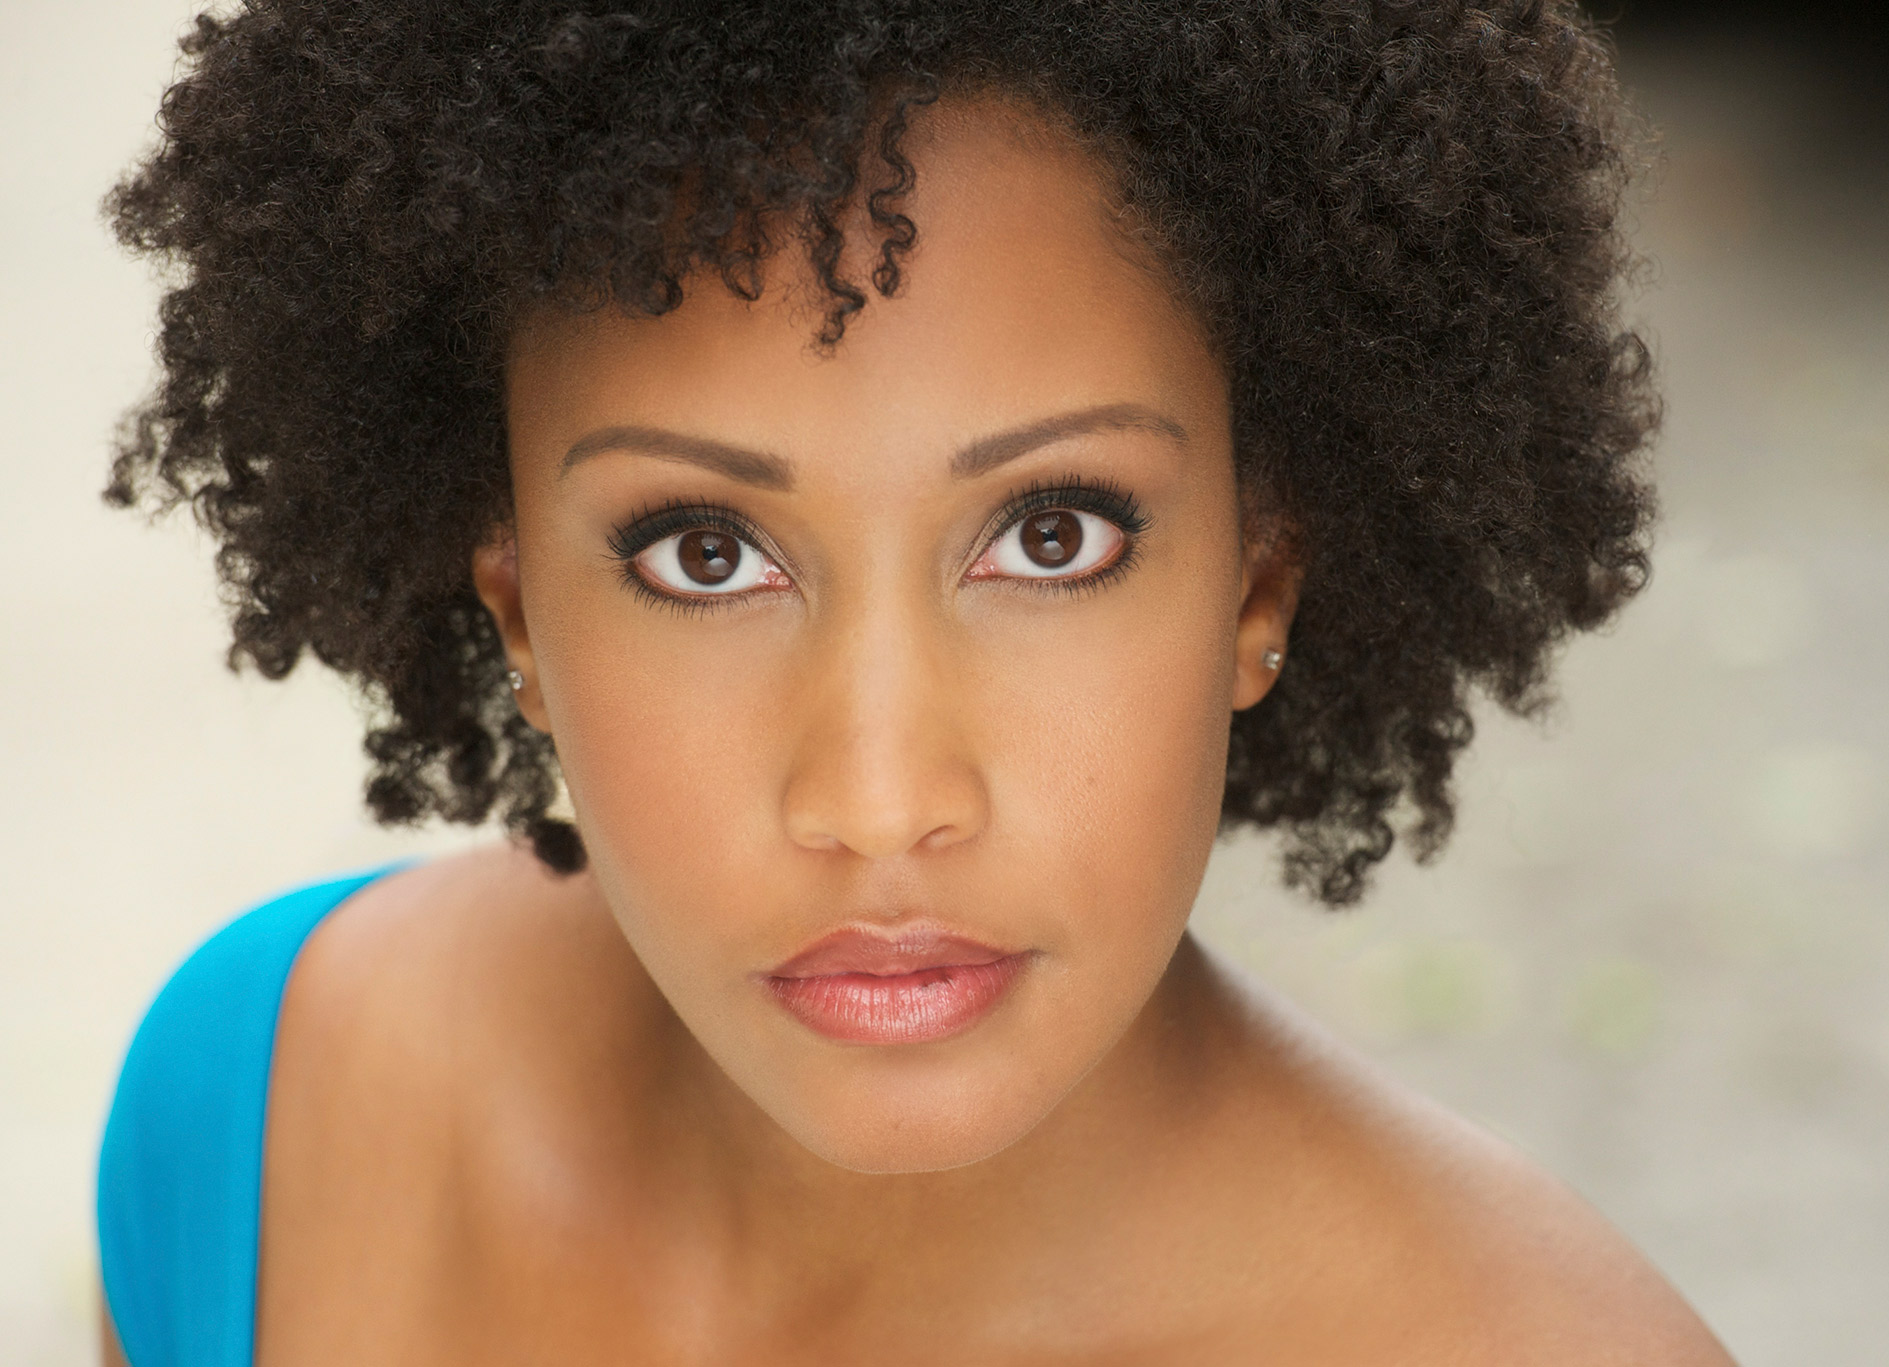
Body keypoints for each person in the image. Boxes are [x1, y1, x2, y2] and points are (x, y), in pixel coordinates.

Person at [95, 1, 1731, 1362]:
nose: (881, 803)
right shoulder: (261, 1126)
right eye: (705, 555)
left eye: (1051, 535)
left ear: (1259, 579)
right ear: (515, 609)